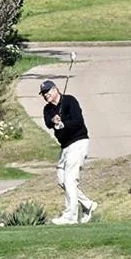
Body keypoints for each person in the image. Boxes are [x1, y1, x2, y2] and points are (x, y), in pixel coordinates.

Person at [40, 79, 97, 225]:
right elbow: (48, 122)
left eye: (47, 92)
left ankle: (70, 215)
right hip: (65, 147)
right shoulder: (48, 109)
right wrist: (54, 121)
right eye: (43, 94)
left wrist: (63, 123)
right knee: (62, 180)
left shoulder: (70, 101)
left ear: (55, 90)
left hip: (78, 142)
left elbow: (78, 121)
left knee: (71, 180)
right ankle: (88, 204)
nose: (45, 96)